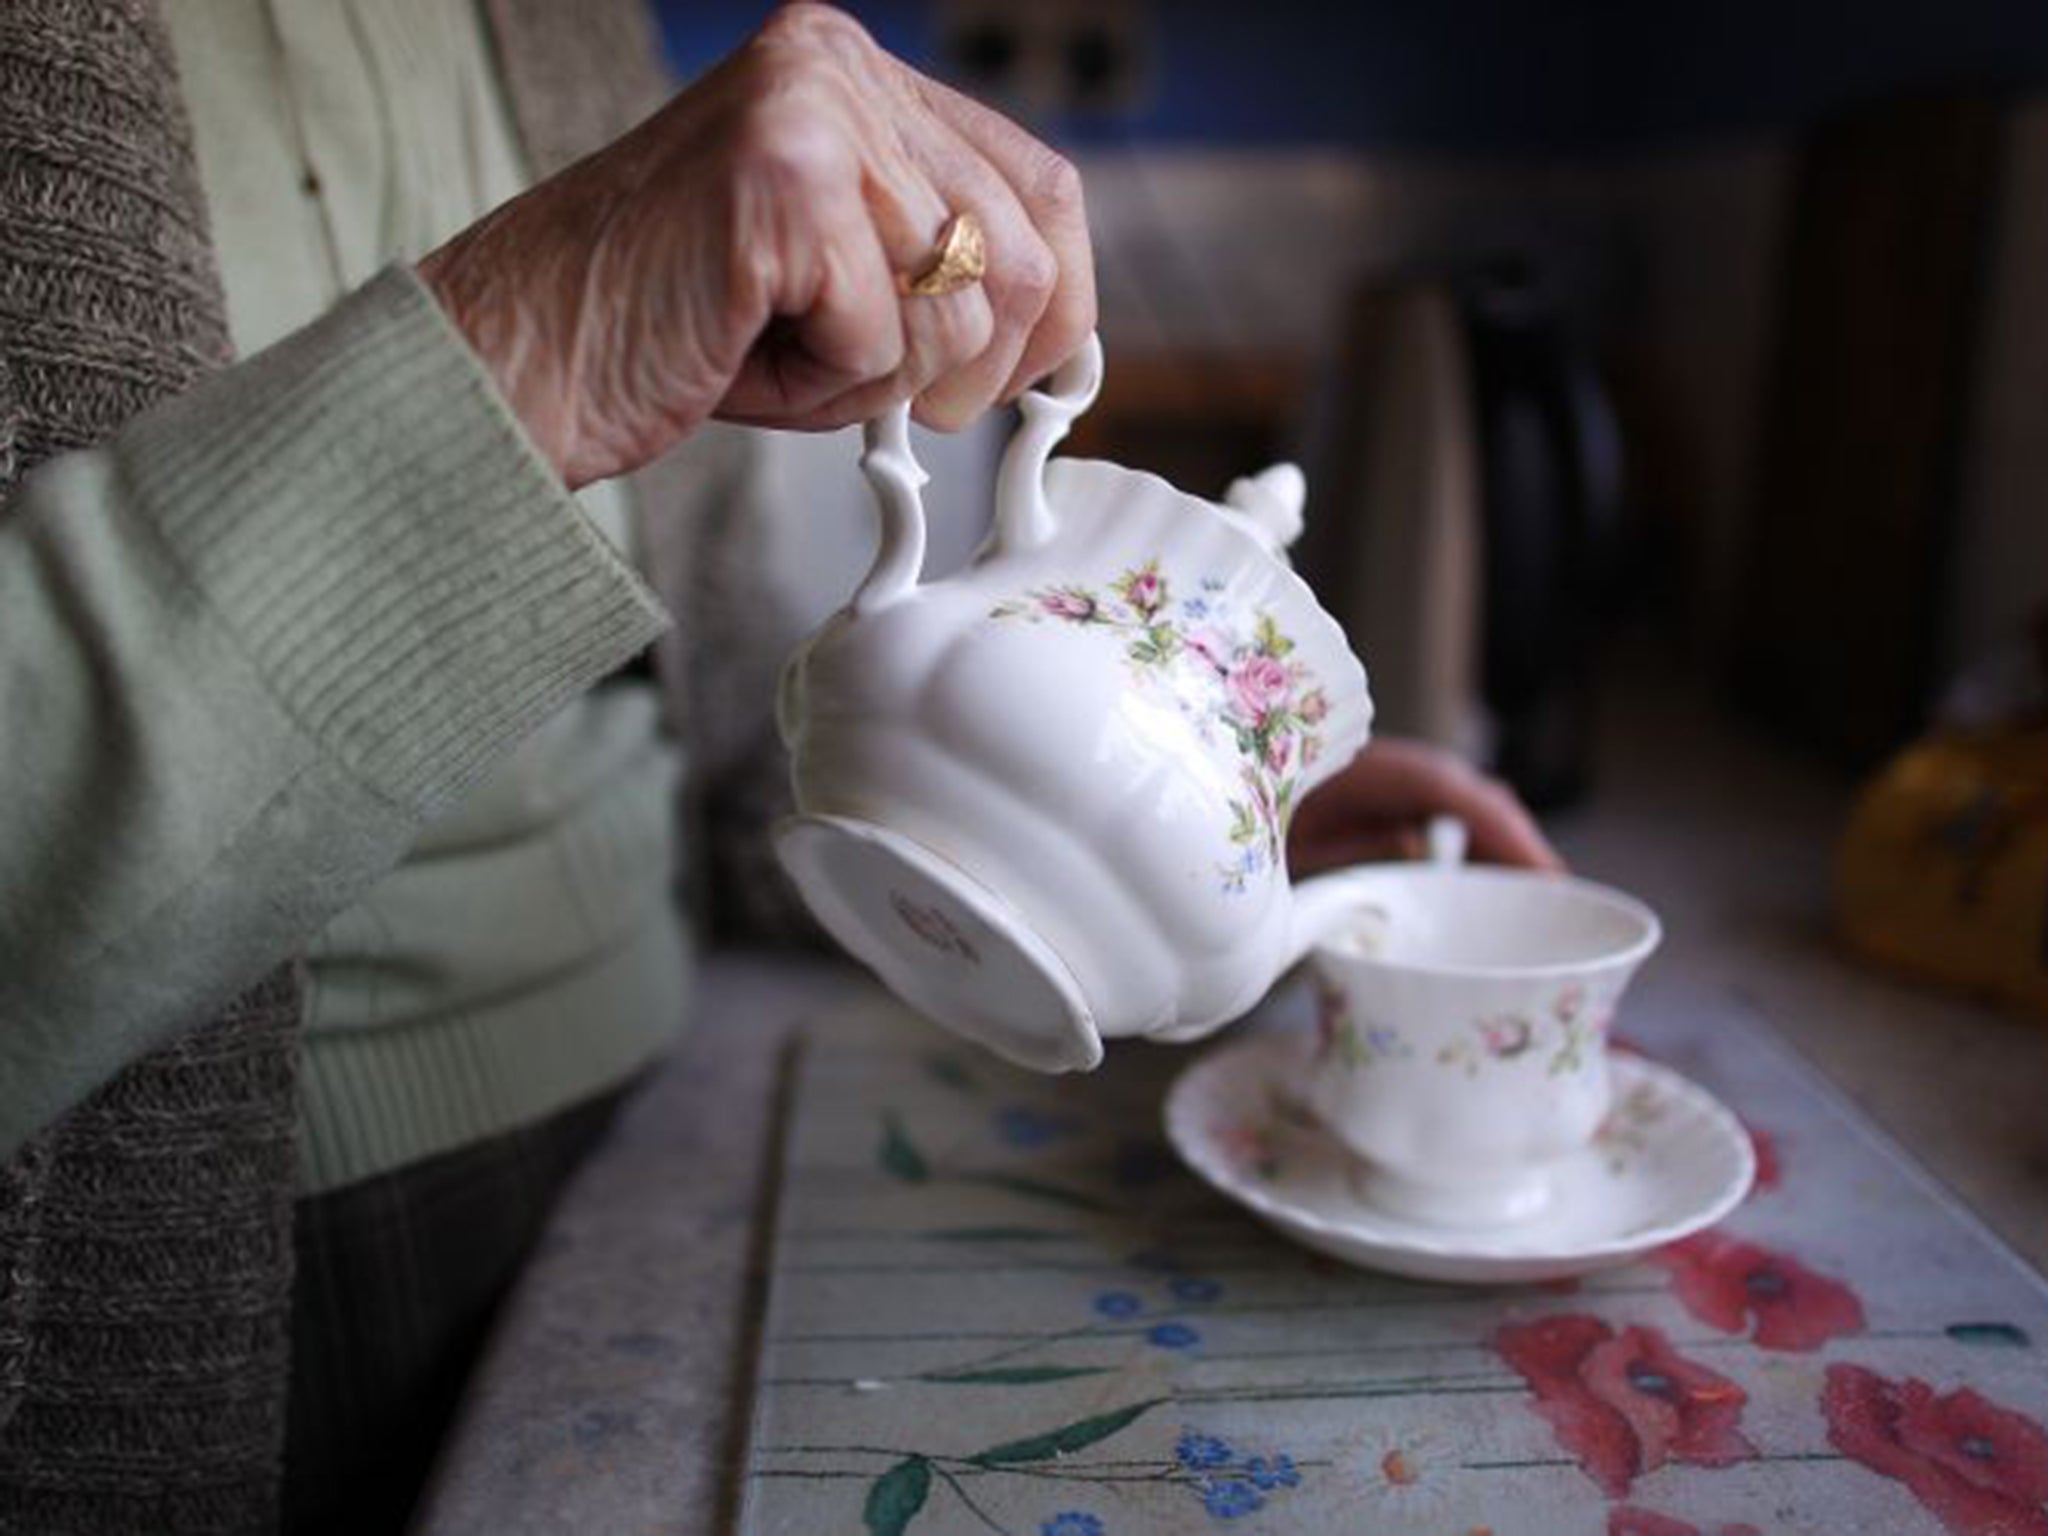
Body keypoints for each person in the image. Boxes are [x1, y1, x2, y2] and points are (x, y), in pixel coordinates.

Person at [0, 4, 1555, 1532]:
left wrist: (1224, 816)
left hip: (675, 1114)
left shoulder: (567, 27)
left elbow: (738, 738)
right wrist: (534, 323)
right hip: (236, 1235)